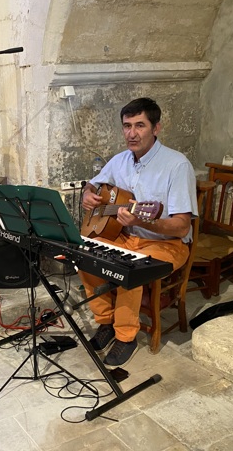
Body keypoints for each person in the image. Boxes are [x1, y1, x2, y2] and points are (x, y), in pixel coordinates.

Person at [80, 97, 197, 368]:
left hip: (166, 243)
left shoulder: (177, 165)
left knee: (126, 267)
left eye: (140, 126)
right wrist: (88, 194)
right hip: (125, 236)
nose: (132, 134)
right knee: (84, 255)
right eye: (127, 126)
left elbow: (182, 226)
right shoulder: (120, 160)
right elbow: (93, 184)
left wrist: (143, 222)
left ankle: (126, 336)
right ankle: (106, 321)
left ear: (156, 128)